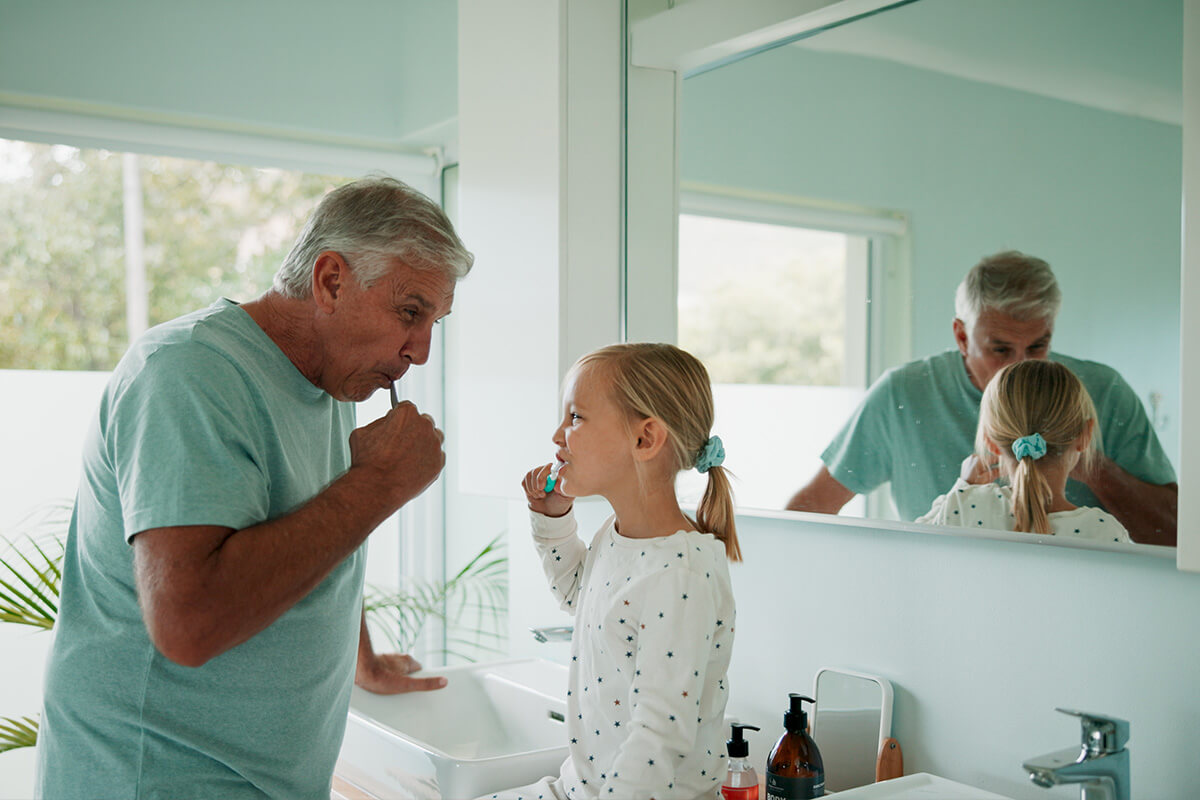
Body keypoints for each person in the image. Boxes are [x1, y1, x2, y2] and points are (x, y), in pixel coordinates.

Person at [35, 176, 473, 799]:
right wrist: (377, 484)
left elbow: (313, 536)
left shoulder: (334, 383)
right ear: (331, 281)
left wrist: (363, 660)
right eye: (410, 312)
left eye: (434, 321)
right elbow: (188, 625)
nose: (421, 352)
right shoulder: (188, 374)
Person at [786, 250, 1177, 546]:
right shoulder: (901, 395)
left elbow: (1178, 536)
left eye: (1037, 346)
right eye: (1000, 349)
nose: (1019, 366)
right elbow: (808, 512)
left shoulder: (1104, 392)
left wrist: (1091, 467)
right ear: (961, 336)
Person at [502, 343, 739, 800]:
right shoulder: (618, 535)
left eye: (575, 417)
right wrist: (552, 519)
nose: (557, 435)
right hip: (580, 788)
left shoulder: (680, 573)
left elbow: (657, 739)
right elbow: (578, 596)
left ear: (644, 439)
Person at [917, 360, 1131, 542]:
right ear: (1085, 436)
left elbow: (915, 545)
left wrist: (963, 488)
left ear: (990, 441)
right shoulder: (1103, 532)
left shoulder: (965, 506)